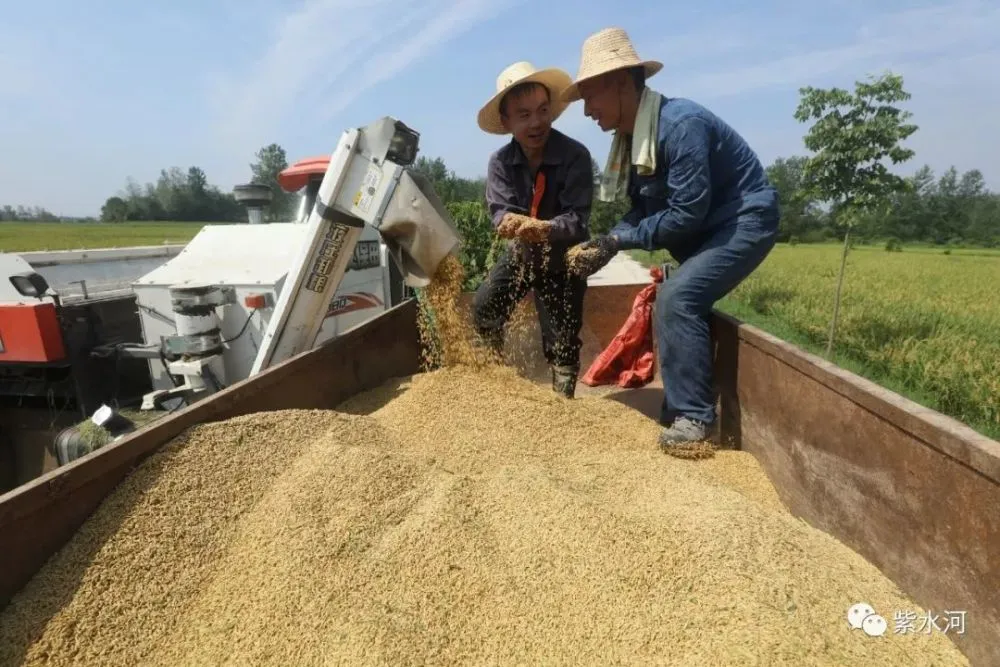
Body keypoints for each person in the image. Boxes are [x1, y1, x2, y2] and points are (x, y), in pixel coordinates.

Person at [561, 28, 780, 450]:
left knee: (679, 297)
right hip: (710, 224)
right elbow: (642, 213)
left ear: (622, 82)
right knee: (670, 296)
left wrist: (618, 243)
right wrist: (606, 242)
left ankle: (695, 419)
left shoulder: (681, 127)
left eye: (590, 96)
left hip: (743, 220)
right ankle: (683, 401)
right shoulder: (632, 141)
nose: (587, 110)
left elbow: (685, 215)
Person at [473, 61, 595, 398]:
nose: (536, 122)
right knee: (485, 307)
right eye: (524, 115)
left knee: (562, 337)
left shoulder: (575, 156)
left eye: (542, 111)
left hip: (564, 255)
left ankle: (562, 400)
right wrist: (509, 223)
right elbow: (501, 212)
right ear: (506, 121)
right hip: (522, 252)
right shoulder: (500, 162)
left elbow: (577, 220)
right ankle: (498, 386)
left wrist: (542, 227)